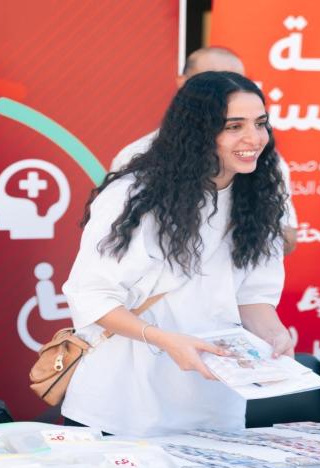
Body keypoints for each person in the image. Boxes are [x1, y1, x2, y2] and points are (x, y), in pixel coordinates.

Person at [61, 71, 293, 436]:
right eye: (234, 126)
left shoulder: (260, 198)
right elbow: (92, 296)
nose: (254, 138)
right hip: (123, 404)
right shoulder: (134, 197)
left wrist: (275, 335)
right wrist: (165, 339)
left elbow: (252, 297)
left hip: (214, 405)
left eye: (260, 123)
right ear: (198, 131)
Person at [111, 46, 299, 253]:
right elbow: (115, 247)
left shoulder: (261, 159)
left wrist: (249, 220)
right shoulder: (136, 157)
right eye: (210, 81)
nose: (226, 89)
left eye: (234, 80)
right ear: (183, 84)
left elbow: (285, 237)